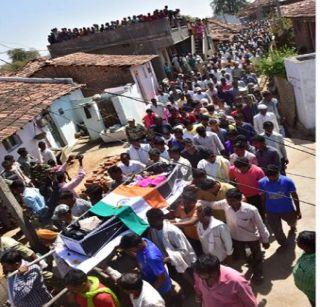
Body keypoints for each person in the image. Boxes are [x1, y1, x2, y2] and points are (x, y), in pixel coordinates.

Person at [200, 189, 270, 282]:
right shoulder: (225, 204)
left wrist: (265, 240)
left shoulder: (251, 210)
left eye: (232, 201)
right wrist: (199, 202)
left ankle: (258, 273)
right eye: (228, 200)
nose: (229, 203)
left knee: (257, 256)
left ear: (239, 199)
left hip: (251, 238)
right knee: (241, 256)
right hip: (235, 238)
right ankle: (251, 261)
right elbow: (212, 204)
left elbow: (260, 225)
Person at [119, 233, 177, 304]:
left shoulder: (151, 258)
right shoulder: (143, 240)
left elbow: (162, 278)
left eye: (131, 250)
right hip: (150, 277)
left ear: (139, 245)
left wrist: (150, 290)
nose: (129, 251)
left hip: (161, 288)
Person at [259, 165, 301, 247]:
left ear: (278, 173)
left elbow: (294, 196)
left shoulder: (288, 181)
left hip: (287, 209)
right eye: (269, 177)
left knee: (292, 221)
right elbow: (263, 197)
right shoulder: (261, 182)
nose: (272, 179)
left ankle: (292, 227)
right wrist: (264, 211)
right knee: (276, 230)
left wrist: (298, 210)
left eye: (274, 176)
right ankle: (283, 243)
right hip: (271, 211)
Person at [147, 208, 196, 278]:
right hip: (171, 262)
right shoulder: (153, 230)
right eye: (149, 222)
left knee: (192, 277)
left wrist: (169, 258)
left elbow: (184, 251)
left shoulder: (172, 231)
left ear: (161, 218)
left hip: (185, 261)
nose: (151, 224)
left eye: (153, 222)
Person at [193, 255, 258, 307]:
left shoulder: (237, 281)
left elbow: (250, 302)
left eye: (202, 276)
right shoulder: (199, 272)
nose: (198, 277)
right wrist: (199, 296)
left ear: (214, 273)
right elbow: (198, 287)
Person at [293, 231, 315, 306]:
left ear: (307, 247)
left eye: (298, 240)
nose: (296, 240)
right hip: (310, 292)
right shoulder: (310, 252)